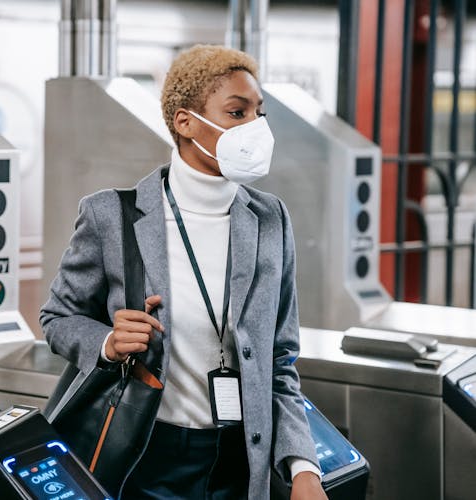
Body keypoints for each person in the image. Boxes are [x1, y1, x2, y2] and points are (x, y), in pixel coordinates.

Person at [40, 44, 327, 500]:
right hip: (145, 456)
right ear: (185, 122)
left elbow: (280, 362)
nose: (255, 127)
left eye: (259, 112)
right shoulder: (111, 217)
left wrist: (302, 466)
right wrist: (108, 343)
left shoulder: (270, 219)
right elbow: (58, 319)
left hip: (240, 461)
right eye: (237, 113)